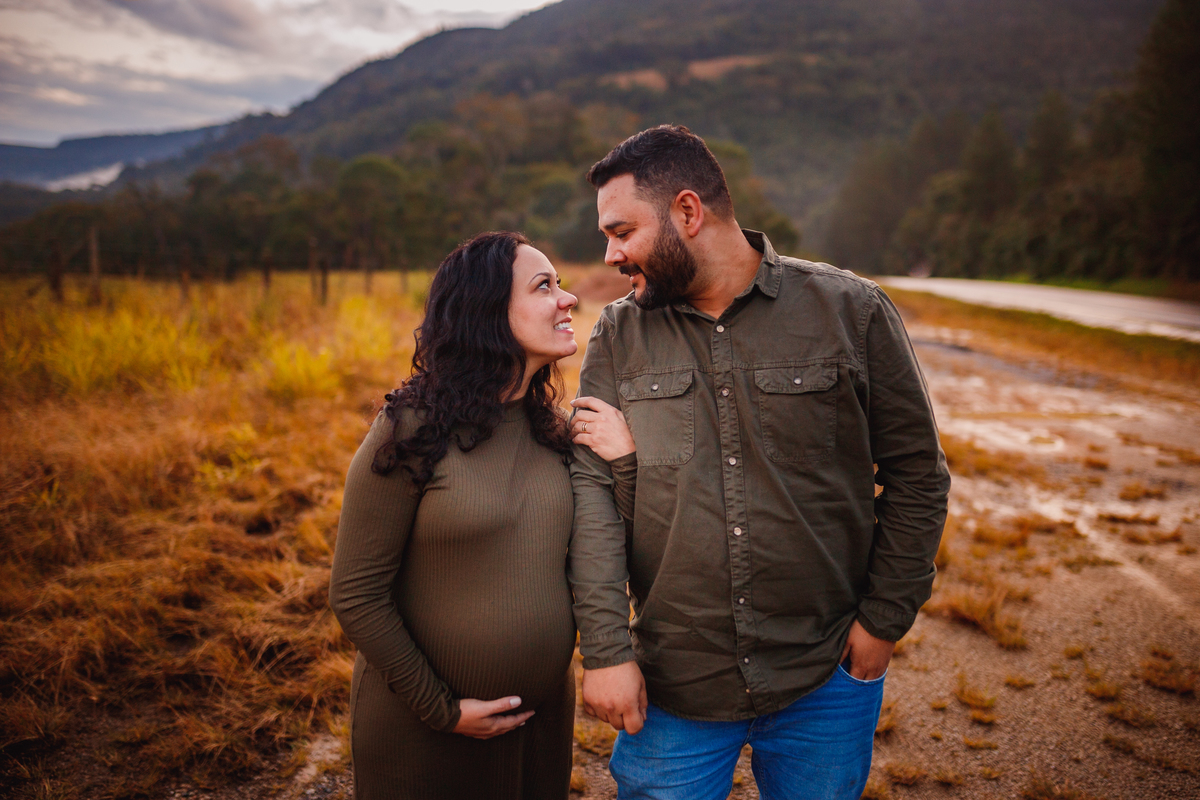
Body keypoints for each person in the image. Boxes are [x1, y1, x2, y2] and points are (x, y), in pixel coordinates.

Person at [567, 125, 951, 800]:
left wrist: (881, 624)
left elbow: (918, 474)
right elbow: (593, 501)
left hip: (824, 672)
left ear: (688, 212)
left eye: (622, 231)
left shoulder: (851, 311)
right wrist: (605, 651)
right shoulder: (619, 335)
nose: (613, 254)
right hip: (673, 685)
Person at [329, 231, 636, 800]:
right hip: (424, 735)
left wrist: (627, 463)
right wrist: (441, 710)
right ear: (488, 312)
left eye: (561, 285)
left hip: (538, 728)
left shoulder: (556, 432)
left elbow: (611, 547)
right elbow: (356, 593)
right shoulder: (412, 428)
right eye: (545, 286)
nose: (568, 299)